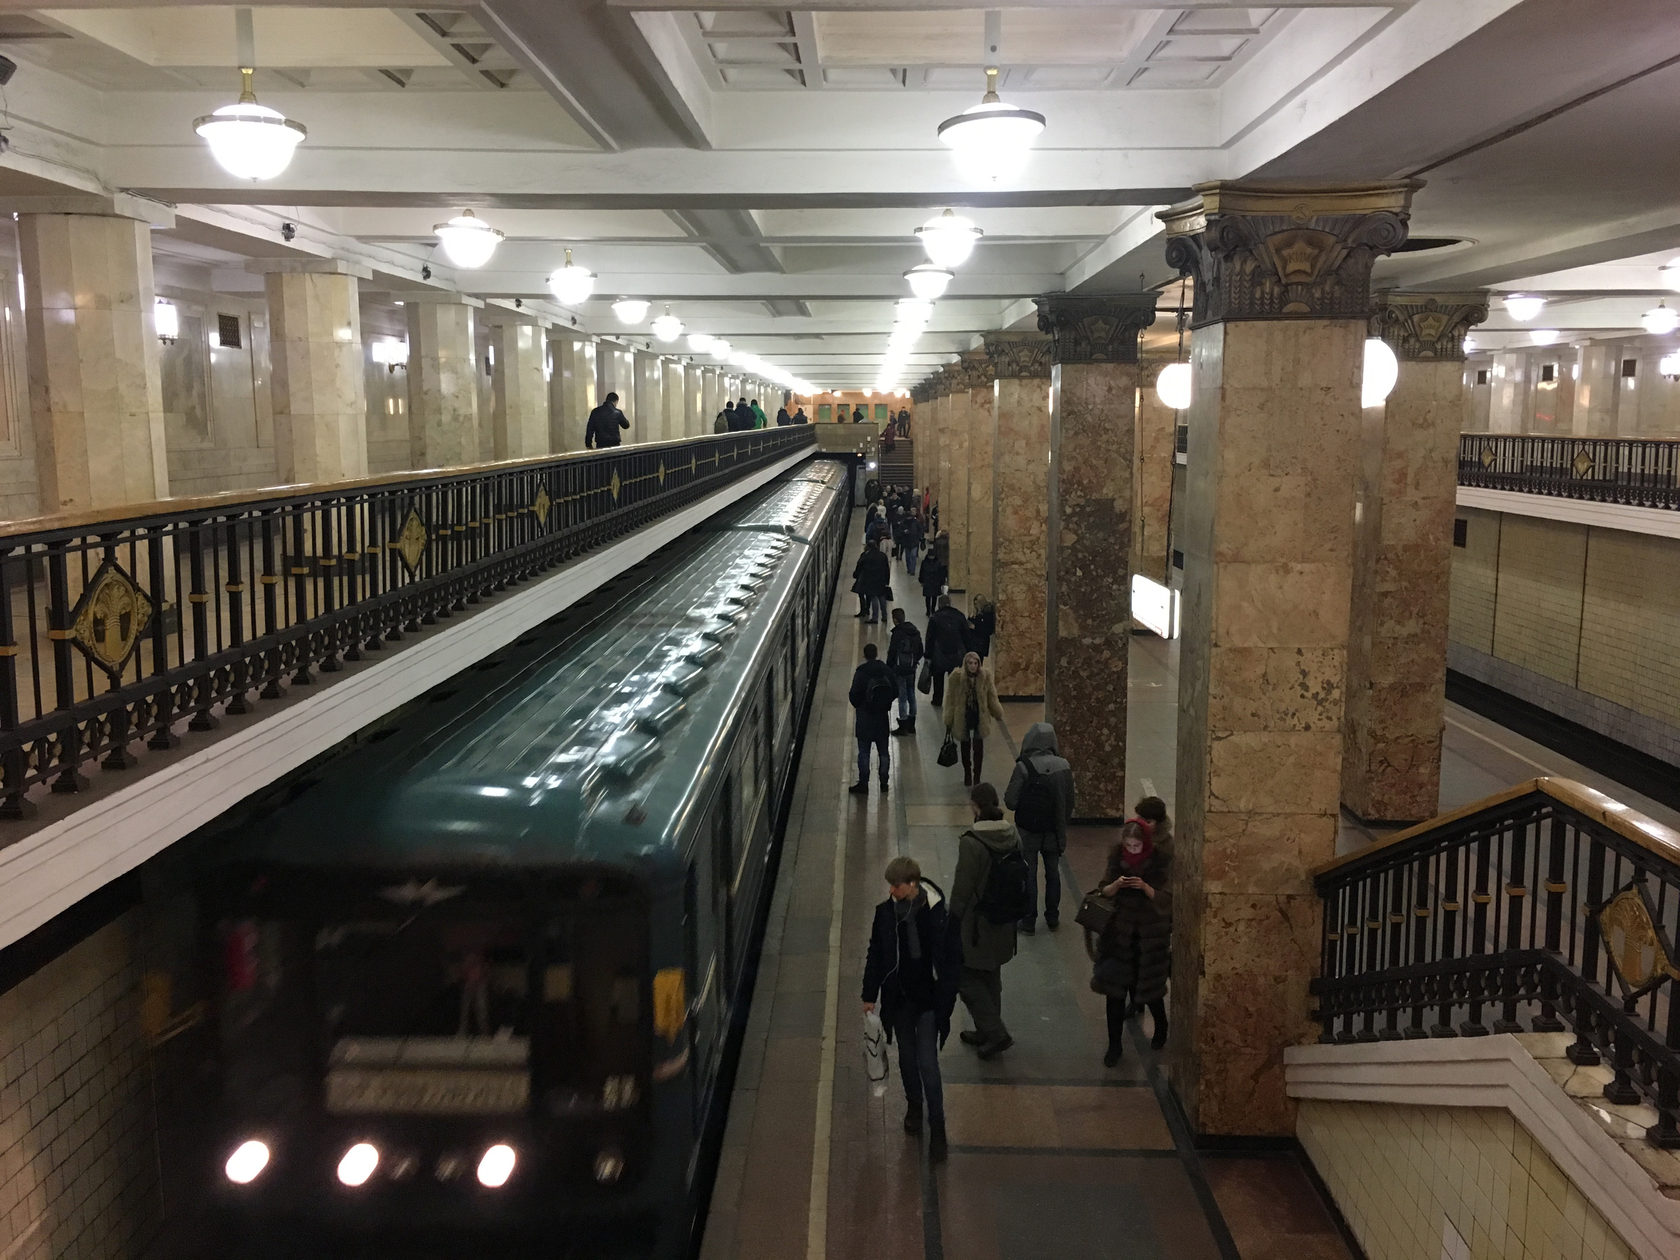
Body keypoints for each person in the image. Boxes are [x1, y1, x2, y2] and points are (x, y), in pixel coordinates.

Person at [861, 856, 960, 1162]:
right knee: (906, 1058)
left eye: (896, 886)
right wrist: (869, 994)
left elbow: (951, 959)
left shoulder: (938, 913)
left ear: (913, 884)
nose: (891, 891)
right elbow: (876, 953)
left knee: (927, 1063)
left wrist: (948, 994)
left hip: (929, 1001)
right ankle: (914, 1105)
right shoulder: (885, 914)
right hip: (900, 1000)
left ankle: (938, 1126)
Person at [1091, 818, 1173, 1066]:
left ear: (1145, 843)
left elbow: (1166, 899)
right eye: (1128, 845)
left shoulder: (1160, 862)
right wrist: (1116, 885)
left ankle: (1161, 1027)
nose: (1132, 850)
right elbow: (1103, 891)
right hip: (1118, 937)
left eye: (1136, 846)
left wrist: (1145, 887)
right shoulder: (1116, 858)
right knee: (1114, 995)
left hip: (1147, 938)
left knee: (1150, 990)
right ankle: (1114, 1046)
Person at [948, 782, 1019, 1059]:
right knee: (990, 974)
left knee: (964, 976)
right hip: (1004, 920)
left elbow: (962, 888)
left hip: (977, 924)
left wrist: (951, 922)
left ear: (975, 807)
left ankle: (996, 1032)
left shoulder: (972, 842)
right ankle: (985, 1031)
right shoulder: (1013, 835)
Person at [1004, 723, 1076, 934]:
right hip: (1053, 830)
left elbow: (1010, 801)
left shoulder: (1024, 767)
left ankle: (1029, 921)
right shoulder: (1064, 766)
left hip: (1028, 831)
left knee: (1029, 874)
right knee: (1053, 873)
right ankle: (1052, 917)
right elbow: (1070, 802)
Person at [941, 651, 1004, 787]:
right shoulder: (956, 678)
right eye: (970, 663)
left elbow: (991, 696)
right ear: (965, 664)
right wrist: (948, 719)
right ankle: (967, 773)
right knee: (965, 745)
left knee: (978, 747)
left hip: (979, 715)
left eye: (975, 663)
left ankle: (977, 776)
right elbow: (950, 699)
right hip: (963, 715)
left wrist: (997, 712)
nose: (973, 666)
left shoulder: (985, 677)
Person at [848, 642, 896, 794]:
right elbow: (895, 690)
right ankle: (884, 782)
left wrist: (861, 705)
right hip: (882, 718)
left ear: (865, 655)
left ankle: (863, 783)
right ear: (876, 654)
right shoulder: (886, 670)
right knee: (883, 752)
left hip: (865, 718)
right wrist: (885, 703)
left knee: (864, 752)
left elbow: (853, 696)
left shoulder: (861, 672)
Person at [887, 608, 923, 735]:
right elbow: (921, 650)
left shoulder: (897, 634)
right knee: (911, 694)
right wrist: (914, 662)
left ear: (895, 620)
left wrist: (889, 667)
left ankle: (903, 724)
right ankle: (912, 724)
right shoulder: (914, 631)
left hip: (900, 670)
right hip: (911, 669)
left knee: (902, 697)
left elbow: (892, 653)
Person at [925, 593, 966, 706]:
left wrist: (928, 655)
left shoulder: (935, 618)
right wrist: (967, 651)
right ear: (950, 603)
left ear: (939, 605)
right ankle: (954, 700)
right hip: (956, 654)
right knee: (955, 680)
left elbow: (930, 638)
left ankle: (937, 700)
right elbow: (966, 636)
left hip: (939, 654)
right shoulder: (959, 616)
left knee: (938, 678)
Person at [853, 539, 891, 624]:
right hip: (881, 580)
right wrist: (887, 581)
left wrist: (855, 574)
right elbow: (887, 569)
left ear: (868, 547)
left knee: (874, 598)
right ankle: (884, 616)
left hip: (871, 580)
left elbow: (859, 566)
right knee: (882, 598)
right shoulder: (882, 555)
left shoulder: (866, 556)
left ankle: (875, 618)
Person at [919, 550, 949, 620]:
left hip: (935, 582)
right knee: (928, 597)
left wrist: (942, 581)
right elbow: (921, 572)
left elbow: (941, 573)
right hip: (929, 582)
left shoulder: (936, 563)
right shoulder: (926, 562)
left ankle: (932, 609)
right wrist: (921, 580)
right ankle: (928, 610)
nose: (931, 557)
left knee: (934, 597)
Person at [966, 595, 996, 661]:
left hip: (980, 644)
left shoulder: (987, 613)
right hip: (973, 642)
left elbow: (988, 630)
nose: (975, 606)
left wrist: (975, 627)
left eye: (977, 604)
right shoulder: (976, 613)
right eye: (974, 604)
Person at [901, 509, 924, 576]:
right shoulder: (904, 522)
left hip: (914, 542)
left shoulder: (916, 522)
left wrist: (919, 536)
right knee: (908, 557)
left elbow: (920, 529)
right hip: (907, 542)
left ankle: (912, 570)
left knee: (913, 556)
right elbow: (900, 531)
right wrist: (903, 532)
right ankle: (909, 569)